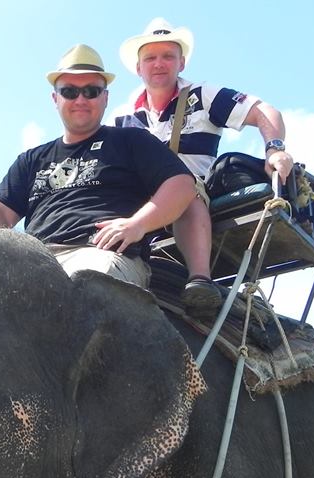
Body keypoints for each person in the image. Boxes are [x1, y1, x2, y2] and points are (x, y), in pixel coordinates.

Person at [0, 44, 195, 290]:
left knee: (87, 288)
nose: (80, 100)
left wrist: (137, 224)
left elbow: (181, 185)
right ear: (55, 99)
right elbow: (0, 211)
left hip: (100, 255)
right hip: (33, 261)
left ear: (105, 98)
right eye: (69, 91)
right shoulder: (31, 160)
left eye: (91, 91)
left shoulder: (131, 141)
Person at [113, 18, 295, 309]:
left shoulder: (203, 95)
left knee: (184, 189)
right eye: (150, 57)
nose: (159, 63)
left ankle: (200, 280)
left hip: (188, 189)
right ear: (138, 68)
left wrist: (274, 149)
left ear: (181, 63)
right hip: (138, 200)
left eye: (167, 56)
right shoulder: (123, 117)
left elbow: (263, 111)